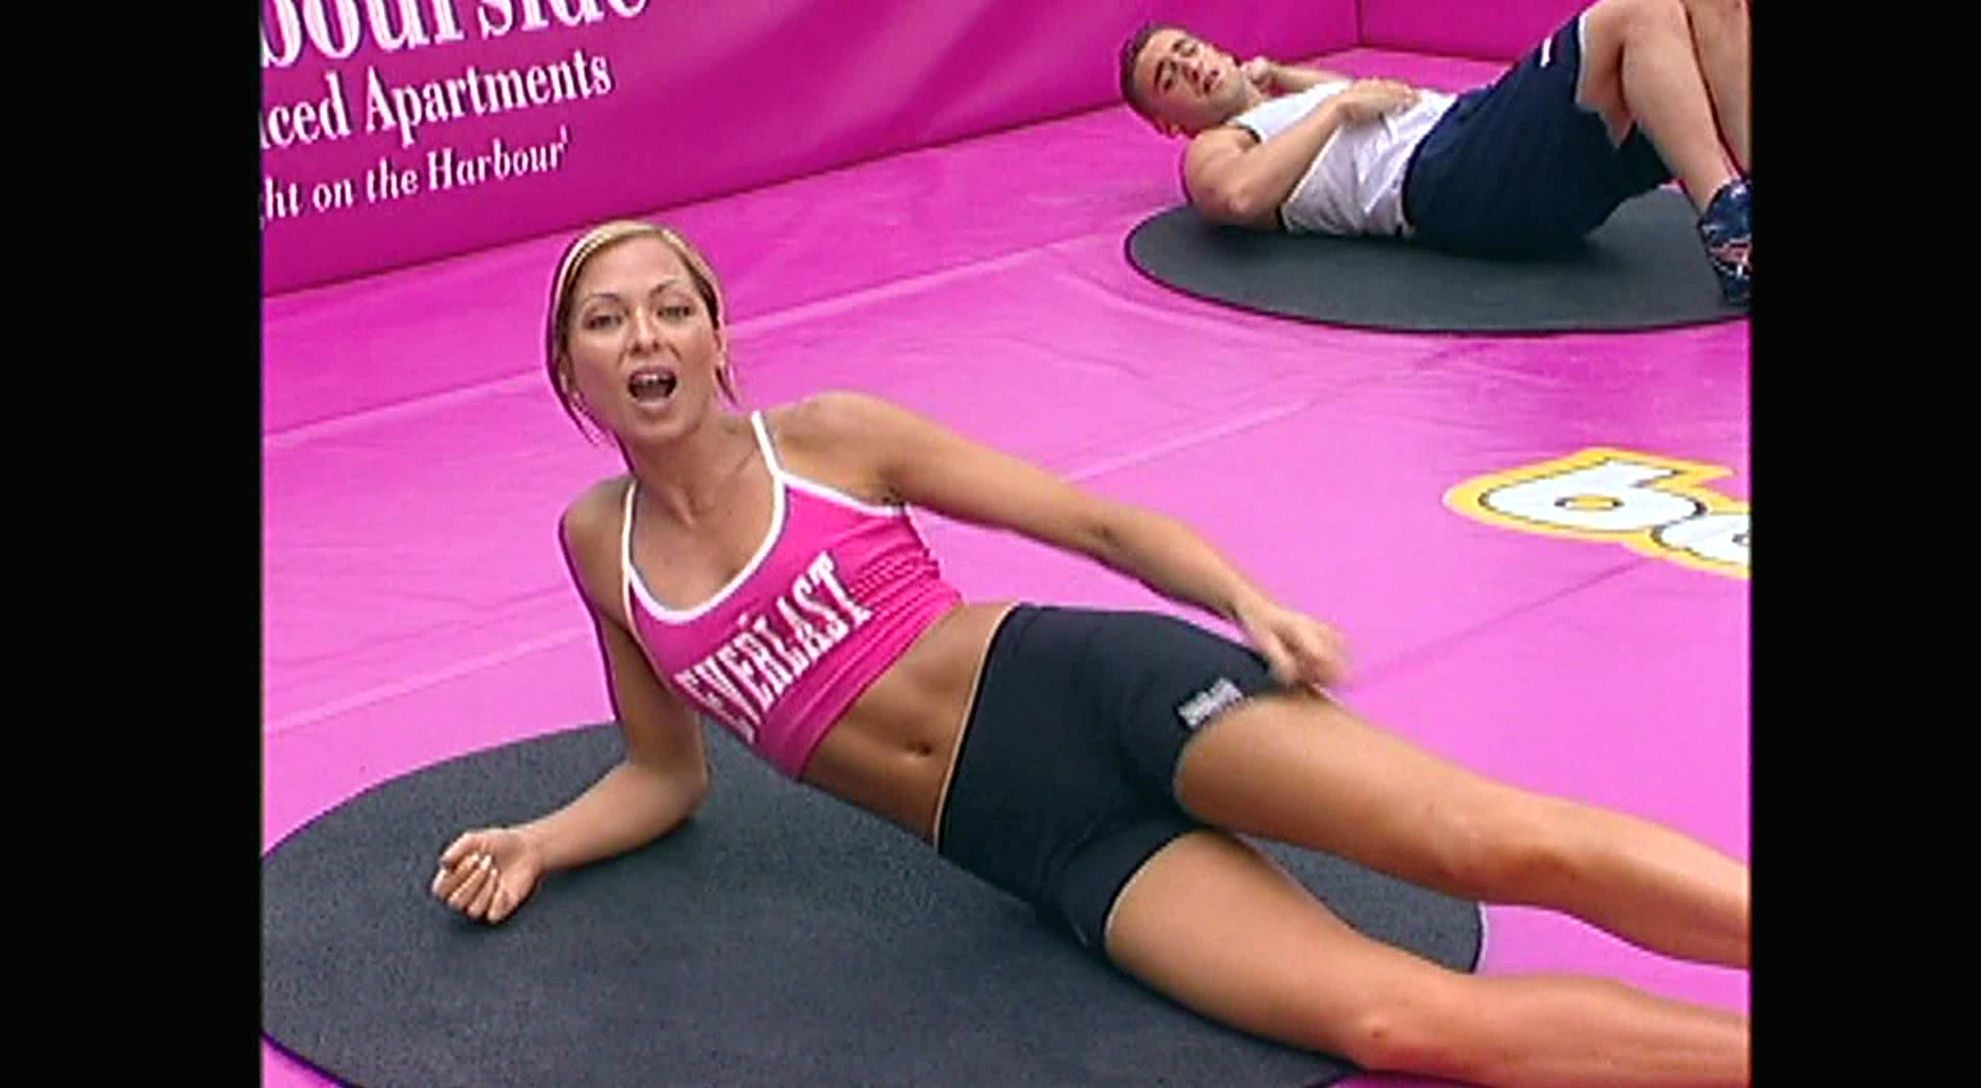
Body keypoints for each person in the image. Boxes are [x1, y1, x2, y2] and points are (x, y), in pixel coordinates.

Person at [429, 219, 1751, 1087]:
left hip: (1094, 694)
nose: (645, 338)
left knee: (1485, 839)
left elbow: (1093, 522)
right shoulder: (596, 543)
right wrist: (538, 841)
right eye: (607, 321)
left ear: (718, 339)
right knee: (1395, 1022)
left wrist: (1247, 602)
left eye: (673, 309)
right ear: (568, 371)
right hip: (1034, 843)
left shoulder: (828, 437)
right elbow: (667, 773)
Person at [1117, 0, 1752, 304]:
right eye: (1170, 77)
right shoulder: (1216, 146)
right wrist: (1337, 109)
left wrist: (1282, 77)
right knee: (1637, 14)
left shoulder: (1282, 103)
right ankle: (1731, 232)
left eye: (1188, 50)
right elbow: (1236, 196)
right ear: (1169, 125)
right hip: (1448, 176)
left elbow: (1346, 107)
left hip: (1477, 138)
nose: (1190, 67)